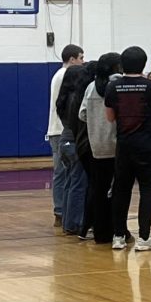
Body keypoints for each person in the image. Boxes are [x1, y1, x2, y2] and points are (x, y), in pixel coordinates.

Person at [105, 45, 151, 252]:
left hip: (124, 146)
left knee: (121, 190)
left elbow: (110, 117)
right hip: (148, 146)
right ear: (143, 64)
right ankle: (145, 238)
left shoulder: (112, 87)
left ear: (122, 64)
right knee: (148, 191)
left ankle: (118, 236)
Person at [79, 52, 121, 245]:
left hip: (96, 145)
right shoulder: (120, 85)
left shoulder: (90, 88)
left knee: (98, 189)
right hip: (117, 145)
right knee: (118, 190)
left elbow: (82, 114)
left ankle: (100, 233)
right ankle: (118, 231)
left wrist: (96, 125)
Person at [45, 43, 83, 226]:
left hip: (61, 130)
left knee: (65, 173)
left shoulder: (60, 75)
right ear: (72, 59)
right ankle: (60, 211)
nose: (83, 61)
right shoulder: (65, 75)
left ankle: (64, 211)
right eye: (81, 58)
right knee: (61, 173)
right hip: (61, 130)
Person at [57, 61, 93, 237]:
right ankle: (75, 223)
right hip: (74, 142)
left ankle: (67, 221)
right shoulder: (76, 98)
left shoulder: (64, 96)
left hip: (65, 141)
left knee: (70, 183)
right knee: (78, 184)